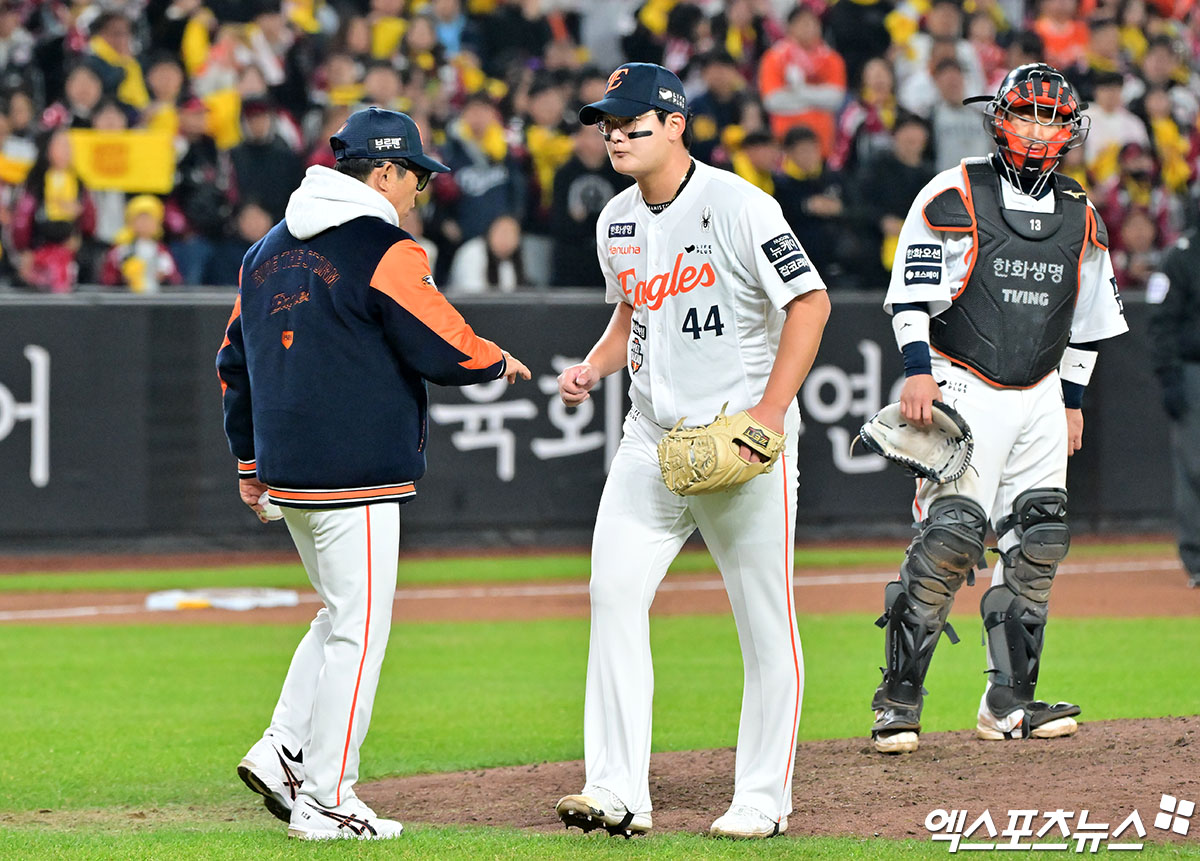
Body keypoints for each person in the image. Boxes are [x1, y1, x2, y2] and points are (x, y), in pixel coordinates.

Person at [217, 106, 531, 840]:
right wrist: (492, 358)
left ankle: (282, 749)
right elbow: (437, 340)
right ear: (384, 171)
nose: (421, 188)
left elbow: (233, 360)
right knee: (361, 630)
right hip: (353, 472)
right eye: (416, 174)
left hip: (289, 473)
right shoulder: (384, 245)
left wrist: (248, 461)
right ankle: (327, 797)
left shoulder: (263, 251)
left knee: (335, 612)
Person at [553, 62, 830, 840]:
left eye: (629, 120)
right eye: (605, 122)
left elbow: (810, 301)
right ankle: (615, 791)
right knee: (612, 597)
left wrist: (771, 412)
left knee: (764, 621)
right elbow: (631, 317)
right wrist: (592, 366)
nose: (614, 133)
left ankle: (763, 798)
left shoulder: (740, 205)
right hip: (650, 438)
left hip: (740, 440)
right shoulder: (615, 221)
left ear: (675, 124)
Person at [868, 64, 1128, 755]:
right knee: (950, 539)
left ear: (1071, 131)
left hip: (1041, 391)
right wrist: (917, 371)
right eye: (1027, 115)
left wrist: (1071, 401)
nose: (1039, 131)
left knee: (1038, 543)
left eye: (1052, 118)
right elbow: (910, 296)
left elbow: (1090, 321)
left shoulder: (1082, 212)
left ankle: (1008, 703)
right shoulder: (954, 191)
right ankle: (898, 697)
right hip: (962, 380)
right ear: (999, 118)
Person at [1147, 229, 1200, 588]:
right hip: (1192, 370)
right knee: (1194, 467)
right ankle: (1197, 558)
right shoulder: (1180, 256)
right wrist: (1169, 375)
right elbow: (1160, 321)